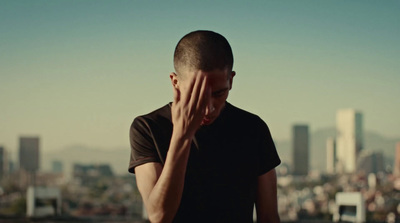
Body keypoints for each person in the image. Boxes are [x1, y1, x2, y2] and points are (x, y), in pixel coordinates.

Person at [129, 30, 281, 223]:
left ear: (231, 80)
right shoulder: (148, 128)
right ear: (175, 82)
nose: (208, 108)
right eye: (196, 95)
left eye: (219, 94)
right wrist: (182, 136)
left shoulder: (253, 128)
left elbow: (269, 217)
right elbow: (159, 215)